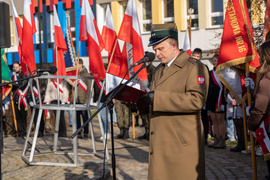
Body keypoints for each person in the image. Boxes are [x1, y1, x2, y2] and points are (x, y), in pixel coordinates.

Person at [141, 23, 209, 179]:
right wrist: (141, 104)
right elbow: (155, 100)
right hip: (160, 141)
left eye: (160, 49)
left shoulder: (194, 67)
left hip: (180, 144)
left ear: (174, 45)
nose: (157, 54)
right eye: (155, 50)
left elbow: (196, 100)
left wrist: (157, 99)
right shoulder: (159, 69)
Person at [245, 41, 270, 179]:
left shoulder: (266, 78)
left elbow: (261, 108)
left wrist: (251, 122)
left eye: (260, 55)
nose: (258, 58)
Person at [206, 54, 227, 149]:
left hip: (220, 98)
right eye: (213, 61)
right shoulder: (210, 73)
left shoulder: (223, 73)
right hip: (211, 99)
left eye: (216, 61)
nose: (214, 62)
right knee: (214, 120)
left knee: (220, 120)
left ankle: (222, 139)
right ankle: (217, 138)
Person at [193, 47, 210, 144]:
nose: (196, 58)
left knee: (204, 118)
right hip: (193, 95)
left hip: (202, 96)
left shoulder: (204, 67)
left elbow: (206, 83)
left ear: (201, 57)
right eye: (194, 56)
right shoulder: (190, 67)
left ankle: (205, 137)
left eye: (198, 56)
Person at [75, 59, 92, 139]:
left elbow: (89, 89)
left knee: (85, 117)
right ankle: (78, 132)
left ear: (81, 64)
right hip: (76, 100)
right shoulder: (75, 75)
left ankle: (86, 132)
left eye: (77, 64)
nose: (76, 66)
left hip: (84, 100)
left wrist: (86, 101)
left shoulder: (87, 75)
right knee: (77, 118)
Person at [11, 62, 29, 136]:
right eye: (14, 67)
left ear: (20, 67)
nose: (15, 69)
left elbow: (22, 86)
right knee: (17, 117)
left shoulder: (24, 76)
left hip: (23, 100)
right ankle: (18, 132)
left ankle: (24, 132)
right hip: (15, 98)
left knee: (23, 117)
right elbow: (13, 88)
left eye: (16, 67)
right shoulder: (13, 77)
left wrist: (13, 84)